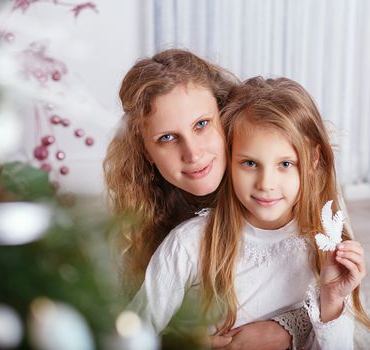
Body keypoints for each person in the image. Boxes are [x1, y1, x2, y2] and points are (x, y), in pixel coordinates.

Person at [130, 77, 370, 348]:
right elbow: (132, 335)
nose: (266, 184)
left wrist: (333, 300)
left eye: (286, 164)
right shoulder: (189, 244)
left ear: (313, 160)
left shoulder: (324, 244)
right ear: (229, 158)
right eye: (250, 163)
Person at [103, 50, 310, 349]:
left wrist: (285, 329)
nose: (193, 153)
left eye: (201, 124)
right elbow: (137, 325)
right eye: (167, 138)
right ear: (146, 151)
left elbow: (343, 301)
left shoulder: (286, 183)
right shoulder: (162, 231)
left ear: (225, 116)